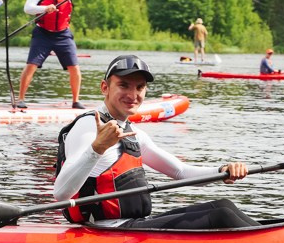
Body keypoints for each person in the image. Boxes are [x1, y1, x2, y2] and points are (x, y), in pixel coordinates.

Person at [54, 54, 259, 230]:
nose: (133, 95)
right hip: (104, 230)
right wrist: (97, 148)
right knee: (221, 216)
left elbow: (180, 172)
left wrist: (222, 171)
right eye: (123, 85)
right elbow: (61, 194)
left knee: (223, 206)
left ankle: (280, 238)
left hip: (132, 224)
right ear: (104, 87)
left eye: (140, 87)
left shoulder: (133, 133)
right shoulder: (89, 126)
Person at [18, 0, 104, 110]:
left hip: (63, 34)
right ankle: (20, 99)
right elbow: (28, 8)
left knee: (74, 67)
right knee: (31, 65)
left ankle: (76, 101)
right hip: (43, 33)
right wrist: (44, 9)